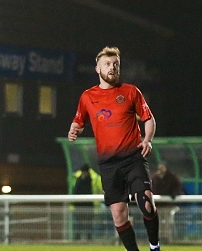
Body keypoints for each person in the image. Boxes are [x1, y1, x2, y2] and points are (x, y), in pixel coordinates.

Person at [68, 46, 161, 251]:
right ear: (97, 69)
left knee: (146, 203)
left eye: (115, 64)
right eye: (107, 64)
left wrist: (147, 139)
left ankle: (155, 246)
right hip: (109, 164)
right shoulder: (87, 97)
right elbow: (78, 121)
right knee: (119, 214)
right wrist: (74, 129)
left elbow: (148, 119)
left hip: (133, 157)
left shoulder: (130, 91)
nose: (112, 68)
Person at [71, 163, 102, 240]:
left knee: (89, 222)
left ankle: (89, 237)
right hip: (78, 204)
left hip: (90, 204)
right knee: (78, 223)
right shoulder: (77, 178)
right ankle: (77, 237)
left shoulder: (93, 178)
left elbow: (100, 189)